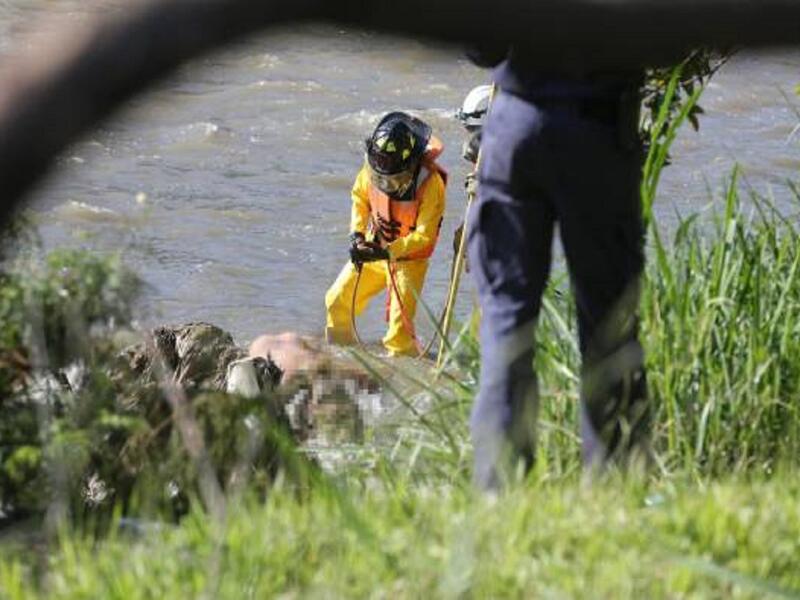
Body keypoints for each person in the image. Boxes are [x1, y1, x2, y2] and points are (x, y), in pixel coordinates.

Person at [466, 51, 650, 489]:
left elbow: (478, 43)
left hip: (514, 121)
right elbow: (667, 37)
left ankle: (497, 498)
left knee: (505, 322)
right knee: (609, 325)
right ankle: (614, 497)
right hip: (598, 128)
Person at [325, 112, 447, 357]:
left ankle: (403, 376)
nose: (385, 182)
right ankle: (339, 358)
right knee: (337, 300)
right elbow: (359, 197)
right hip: (374, 248)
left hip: (408, 261)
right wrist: (356, 235)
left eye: (393, 177)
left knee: (398, 337)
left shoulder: (431, 185)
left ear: (410, 164)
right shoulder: (374, 166)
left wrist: (389, 251)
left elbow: (424, 235)